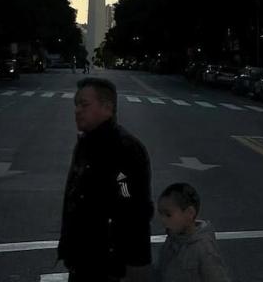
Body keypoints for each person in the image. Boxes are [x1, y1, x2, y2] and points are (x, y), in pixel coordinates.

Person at [58, 77, 153, 282]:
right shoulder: (85, 143)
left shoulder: (123, 149)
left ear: (108, 108)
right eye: (76, 104)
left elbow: (131, 206)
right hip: (82, 259)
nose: (77, 110)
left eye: (84, 104)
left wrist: (128, 264)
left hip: (106, 266)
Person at [155, 182, 231, 282]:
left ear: (189, 213)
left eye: (168, 215)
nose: (163, 220)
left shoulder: (204, 249)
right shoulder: (171, 239)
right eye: (161, 214)